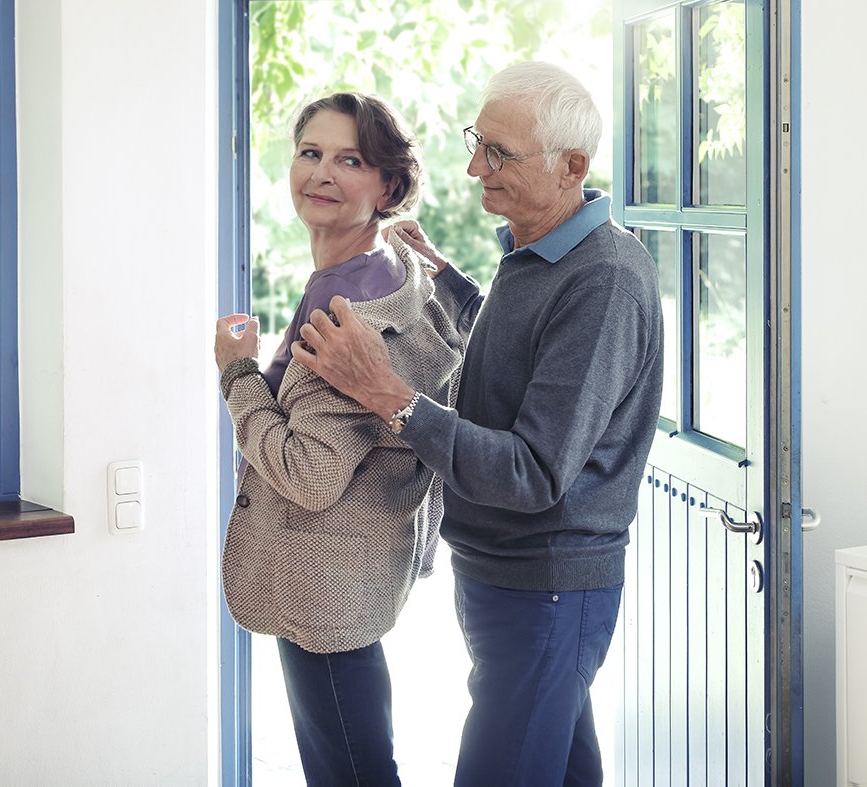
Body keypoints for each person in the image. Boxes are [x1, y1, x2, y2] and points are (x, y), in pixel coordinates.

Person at [291, 62, 664, 786]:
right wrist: (449, 279)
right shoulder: (536, 253)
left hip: (547, 590)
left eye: (498, 153)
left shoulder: (604, 277)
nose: (472, 168)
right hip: (507, 580)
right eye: (476, 142)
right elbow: (517, 351)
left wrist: (387, 394)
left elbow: (533, 472)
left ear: (571, 167)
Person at [213, 92, 465, 786]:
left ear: (387, 184)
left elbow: (307, 472)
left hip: (322, 581)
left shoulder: (346, 303)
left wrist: (234, 371)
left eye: (349, 160)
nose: (320, 174)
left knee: (349, 770)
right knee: (354, 755)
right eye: (309, 153)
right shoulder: (375, 267)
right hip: (349, 576)